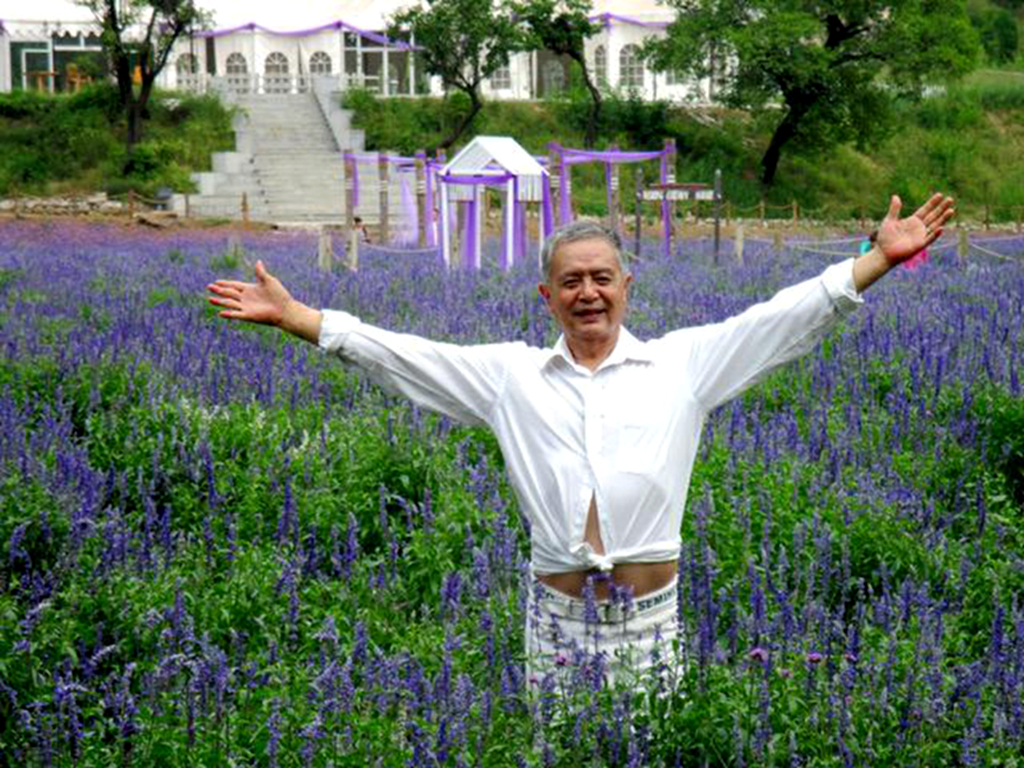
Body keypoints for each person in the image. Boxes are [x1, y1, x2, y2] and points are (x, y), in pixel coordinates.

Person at [207, 193, 955, 691]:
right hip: (555, 624)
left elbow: (784, 318)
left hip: (651, 623)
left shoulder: (684, 364)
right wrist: (301, 318)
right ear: (547, 296)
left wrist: (879, 260)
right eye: (570, 281)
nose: (587, 292)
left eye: (602, 277)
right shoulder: (510, 377)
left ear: (627, 284)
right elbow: (404, 355)